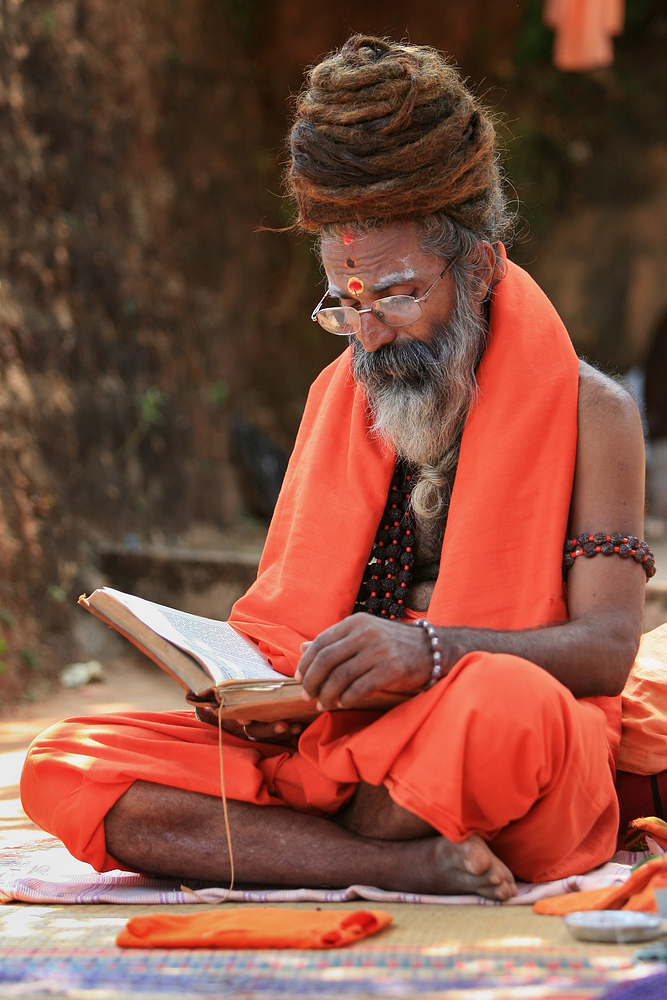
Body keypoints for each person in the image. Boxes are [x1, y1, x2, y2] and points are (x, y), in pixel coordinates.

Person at [21, 35, 654, 901]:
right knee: (65, 763)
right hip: (322, 740)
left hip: (483, 732)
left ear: (476, 267)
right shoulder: (337, 398)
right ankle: (393, 858)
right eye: (342, 301)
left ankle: (292, 846)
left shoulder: (595, 412)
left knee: (504, 712)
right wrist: (236, 679)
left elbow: (608, 651)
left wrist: (427, 652)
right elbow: (285, 628)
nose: (369, 331)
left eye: (395, 293)